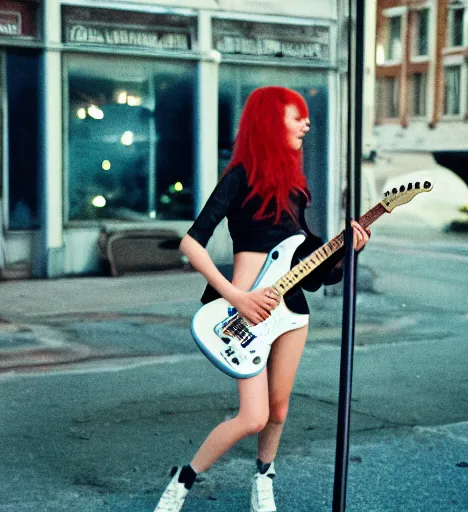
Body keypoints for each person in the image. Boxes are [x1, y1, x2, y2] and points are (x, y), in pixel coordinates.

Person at [153, 86, 370, 512]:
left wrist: (348, 248)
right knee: (251, 417)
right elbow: (192, 243)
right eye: (297, 116)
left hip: (291, 314)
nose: (307, 123)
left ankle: (263, 480)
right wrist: (236, 295)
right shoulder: (239, 177)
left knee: (278, 410)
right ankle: (183, 480)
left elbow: (310, 270)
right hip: (243, 310)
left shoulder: (295, 188)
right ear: (271, 122)